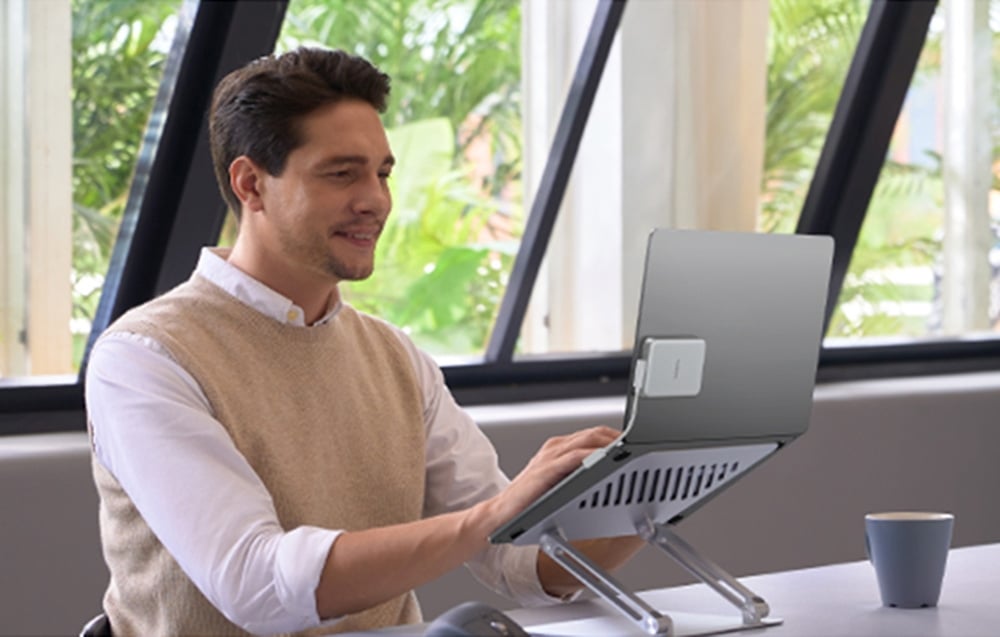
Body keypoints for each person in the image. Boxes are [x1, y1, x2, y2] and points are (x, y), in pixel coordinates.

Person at [85, 47, 642, 636]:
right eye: (341, 173)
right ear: (251, 184)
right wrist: (493, 516)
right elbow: (255, 586)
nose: (375, 199)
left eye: (381, 173)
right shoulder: (146, 358)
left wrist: (651, 498)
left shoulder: (394, 357)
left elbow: (517, 560)